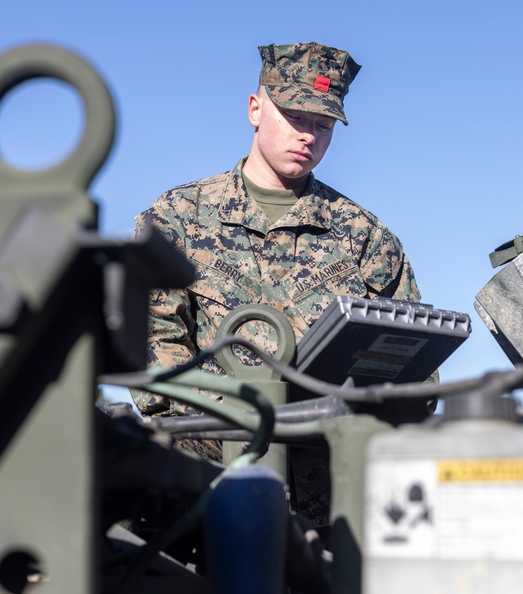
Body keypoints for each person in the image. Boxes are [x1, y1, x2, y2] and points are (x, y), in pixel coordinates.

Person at [132, 42, 420, 424]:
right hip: (213, 463)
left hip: (331, 467)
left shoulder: (364, 236)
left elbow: (408, 360)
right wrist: (233, 422)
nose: (309, 136)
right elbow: (152, 339)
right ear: (255, 109)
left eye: (323, 125)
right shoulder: (178, 218)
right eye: (295, 117)